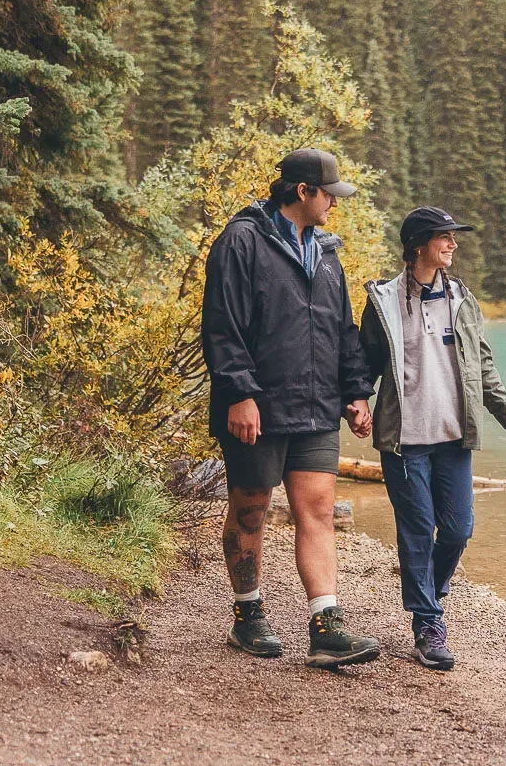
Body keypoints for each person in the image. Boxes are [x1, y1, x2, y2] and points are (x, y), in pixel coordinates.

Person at [200, 147, 381, 669]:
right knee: (251, 509)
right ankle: (248, 613)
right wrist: (239, 393)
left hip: (316, 406)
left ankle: (326, 625)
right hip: (256, 405)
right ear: (302, 192)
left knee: (318, 510)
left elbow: (340, 329)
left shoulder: (326, 252)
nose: (335, 204)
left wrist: (354, 391)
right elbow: (222, 324)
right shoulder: (241, 242)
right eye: (329, 194)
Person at [359, 206, 506, 671]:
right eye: (444, 237)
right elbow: (363, 362)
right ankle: (428, 626)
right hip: (404, 441)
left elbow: (485, 368)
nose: (453, 244)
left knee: (457, 529)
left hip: (454, 439)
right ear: (418, 245)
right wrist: (354, 400)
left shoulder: (462, 299)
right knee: (417, 531)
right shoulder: (385, 301)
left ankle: (427, 588)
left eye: (454, 237)